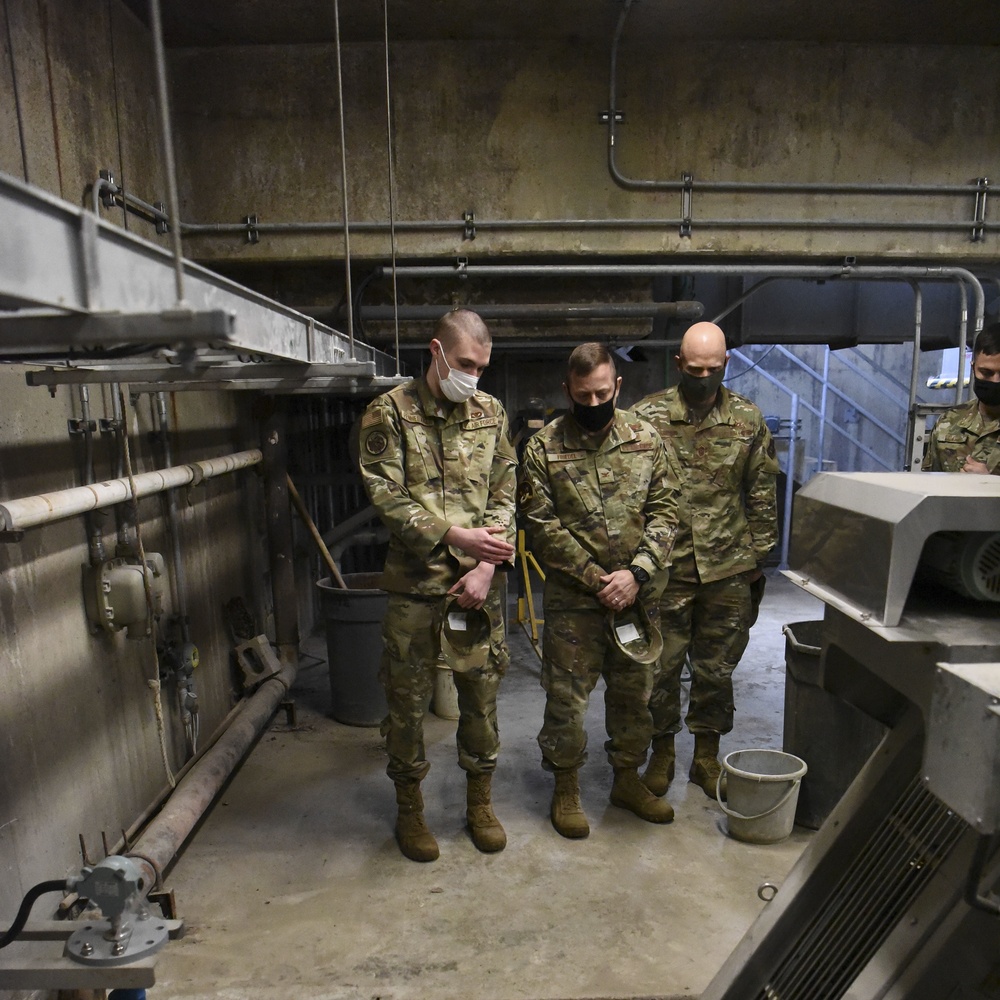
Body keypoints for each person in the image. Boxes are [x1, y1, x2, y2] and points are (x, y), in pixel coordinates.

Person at [358, 308, 517, 862]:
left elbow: (505, 492)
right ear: (437, 351)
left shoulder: (491, 413)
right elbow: (387, 495)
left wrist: (486, 564)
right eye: (466, 363)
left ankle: (479, 804)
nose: (473, 376)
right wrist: (456, 537)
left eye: (482, 367)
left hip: (478, 587)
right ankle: (410, 810)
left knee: (481, 697)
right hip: (414, 586)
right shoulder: (390, 413)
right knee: (406, 703)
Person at [519, 343, 679, 838]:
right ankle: (566, 785)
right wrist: (596, 579)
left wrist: (638, 573)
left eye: (602, 393)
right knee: (567, 700)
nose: (593, 404)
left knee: (635, 695)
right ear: (567, 390)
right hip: (574, 604)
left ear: (618, 387)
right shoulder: (543, 448)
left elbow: (668, 510)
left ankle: (626, 779)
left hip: (638, 596)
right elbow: (541, 525)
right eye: (583, 395)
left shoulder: (647, 440)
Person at [631, 321, 779, 802]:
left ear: (726, 365)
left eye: (713, 369)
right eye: (695, 369)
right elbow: (630, 495)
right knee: (661, 668)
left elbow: (761, 490)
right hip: (667, 568)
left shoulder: (746, 419)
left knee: (717, 669)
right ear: (678, 364)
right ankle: (663, 755)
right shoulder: (645, 417)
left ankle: (706, 756)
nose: (703, 377)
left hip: (728, 568)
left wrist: (759, 557)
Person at [922, 322, 1000, 474]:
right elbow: (930, 484)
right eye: (986, 373)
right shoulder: (949, 422)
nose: (995, 381)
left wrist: (991, 485)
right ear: (973, 368)